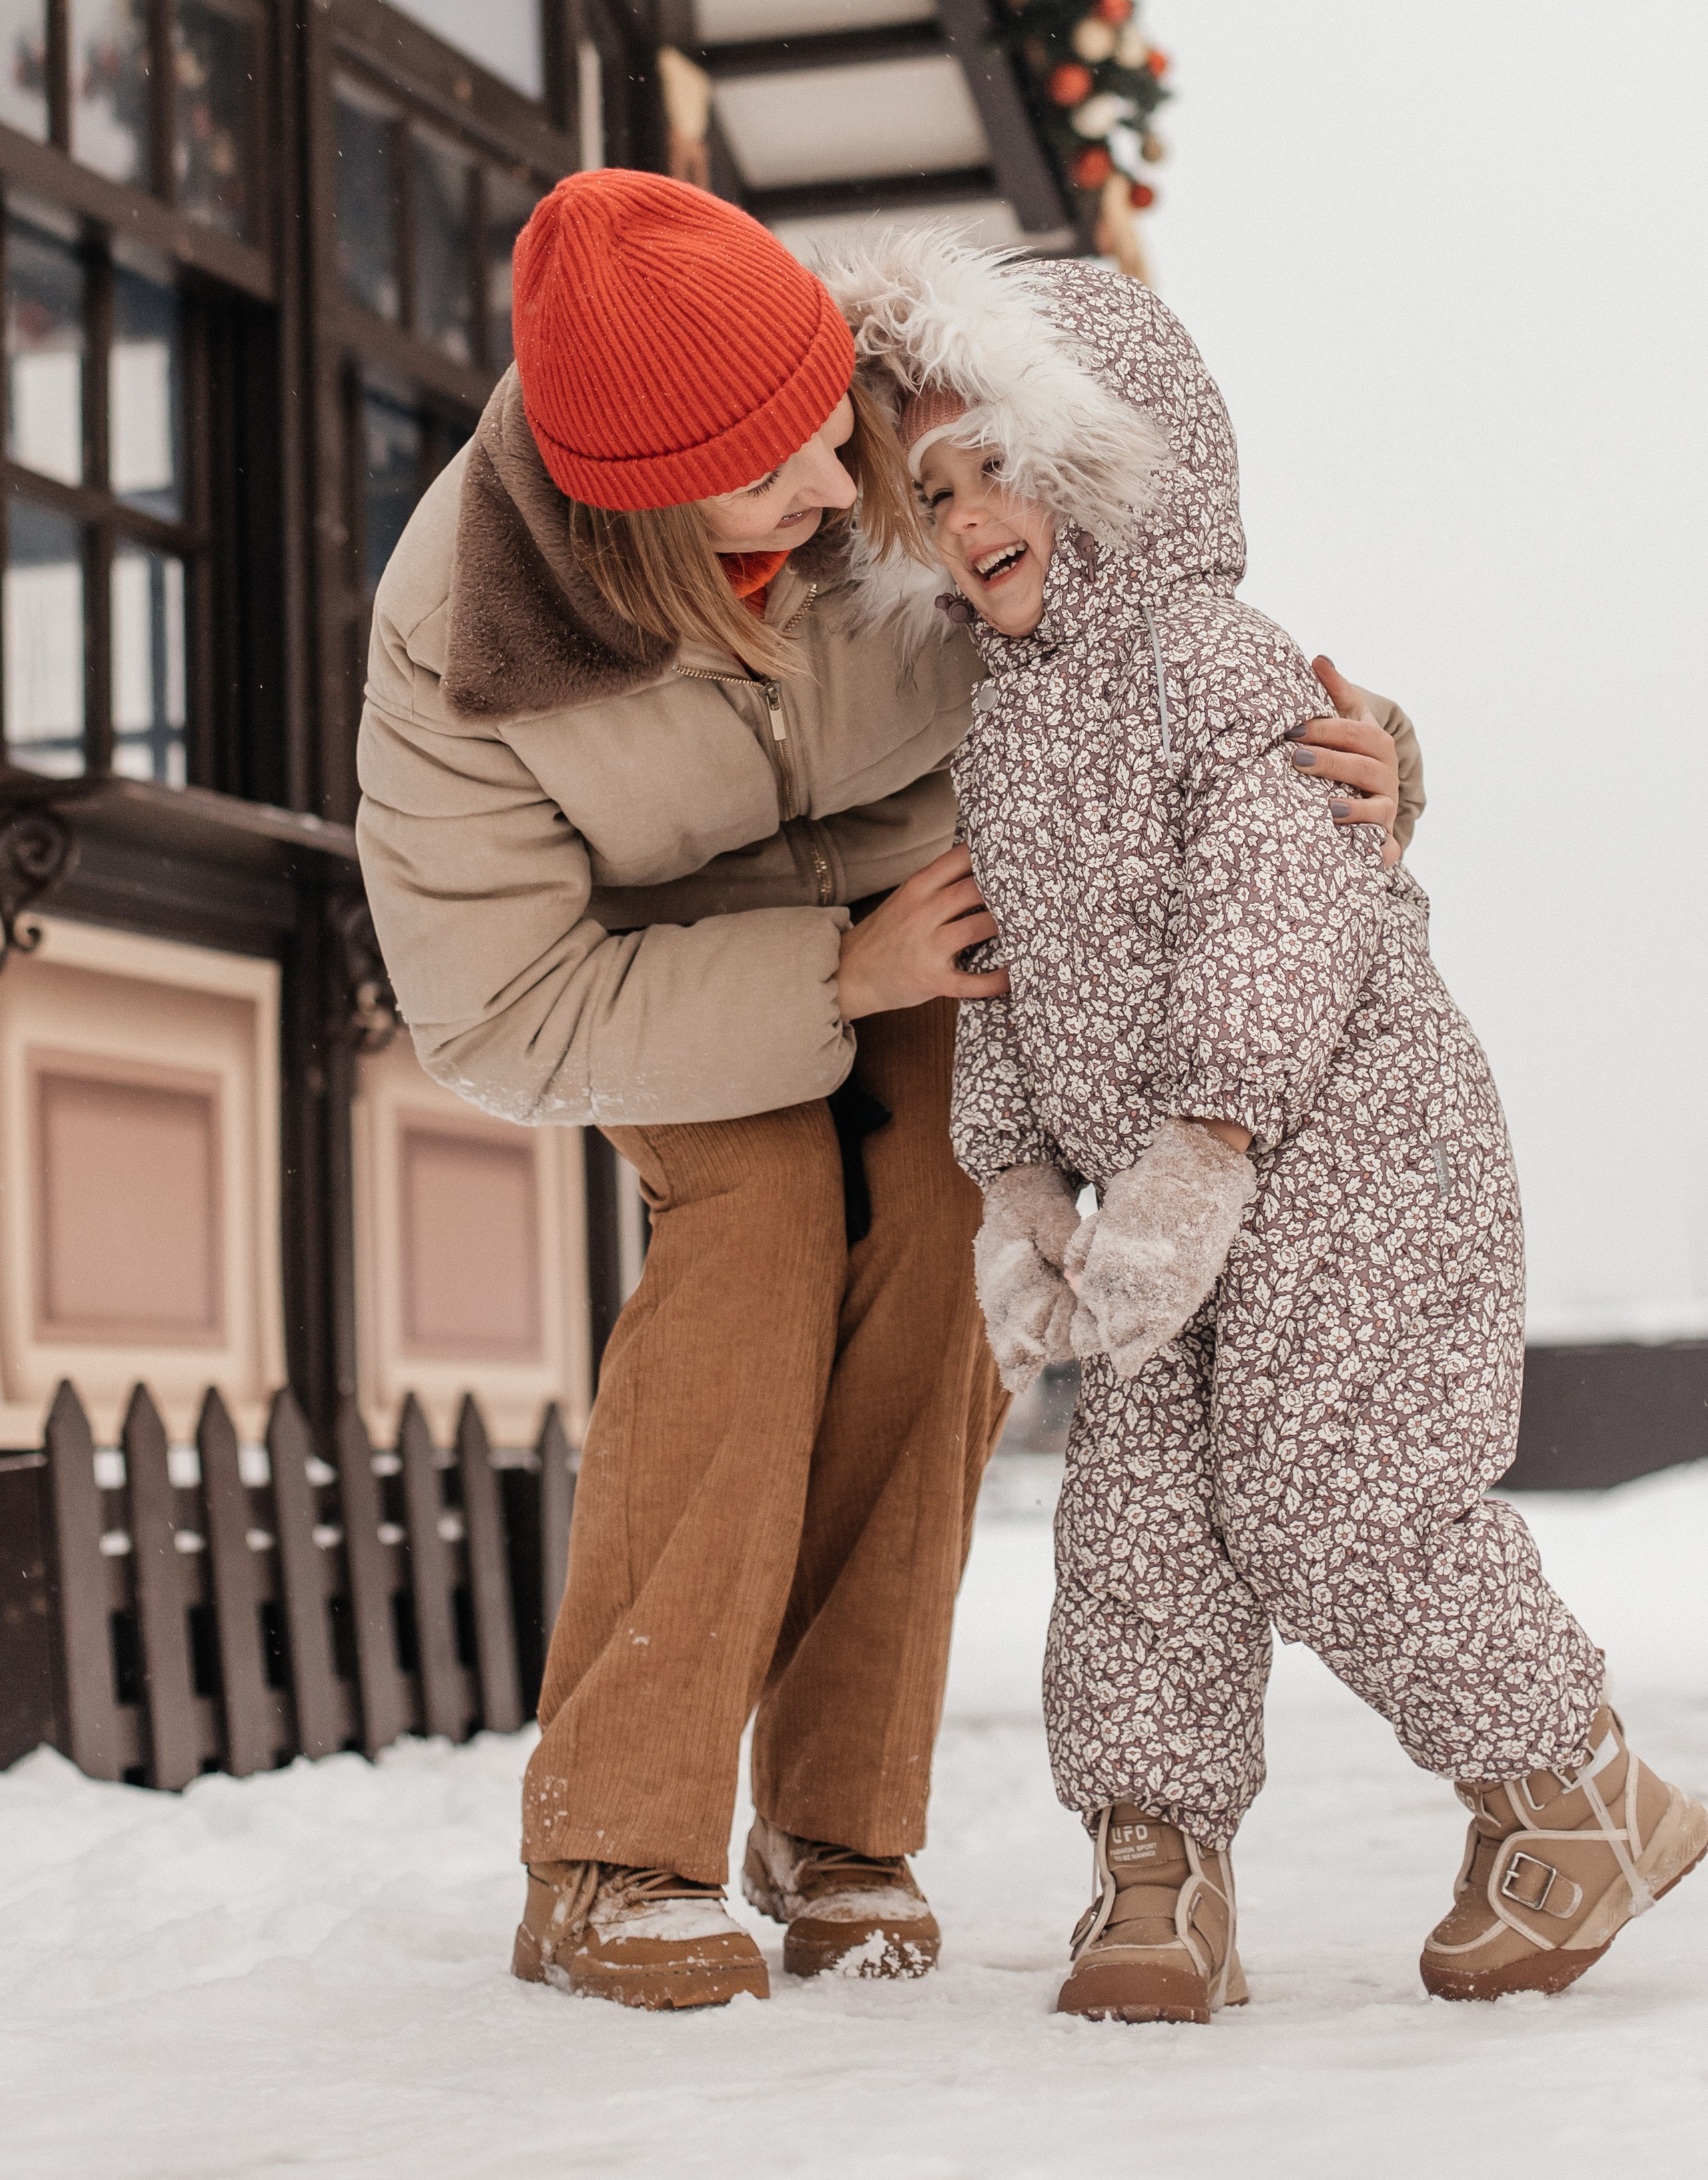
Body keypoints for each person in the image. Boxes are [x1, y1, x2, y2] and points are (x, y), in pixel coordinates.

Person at [356, 171, 1410, 2013]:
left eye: (830, 425)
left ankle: (839, 1828)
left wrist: (1366, 757)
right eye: (776, 472)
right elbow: (499, 1006)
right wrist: (828, 975)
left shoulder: (894, 408)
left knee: (939, 1228)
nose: (849, 491)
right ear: (647, 521)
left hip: (940, 895)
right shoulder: (464, 638)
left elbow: (1159, 621)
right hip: (670, 971)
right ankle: (611, 1852)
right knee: (762, 1236)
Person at [835, 228, 1707, 2021]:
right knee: (1138, 1519)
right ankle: (1155, 1867)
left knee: (1335, 1491)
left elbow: (1278, 904)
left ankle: (1574, 1787)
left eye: (1000, 456)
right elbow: (995, 966)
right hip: (1153, 1204)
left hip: (1341, 1157)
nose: (968, 507)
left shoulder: (1230, 666)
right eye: (929, 483)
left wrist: (1207, 1142)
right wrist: (1013, 1187)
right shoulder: (995, 739)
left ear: (1101, 452)